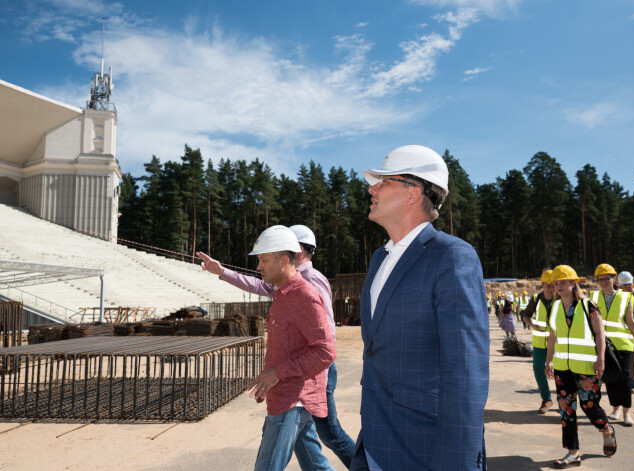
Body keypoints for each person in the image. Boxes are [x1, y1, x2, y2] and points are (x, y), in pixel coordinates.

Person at [352, 145, 489, 470]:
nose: (372, 188)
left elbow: (466, 372)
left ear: (413, 193)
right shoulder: (379, 258)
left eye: (383, 181)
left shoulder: (452, 256)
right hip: (375, 440)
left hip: (424, 448)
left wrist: (458, 463)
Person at [197, 225, 356, 468]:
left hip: (295, 395)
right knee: (315, 463)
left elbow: (324, 348)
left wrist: (278, 373)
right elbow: (259, 290)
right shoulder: (283, 290)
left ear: (285, 259)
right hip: (287, 392)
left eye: (263, 259)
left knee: (319, 442)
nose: (258, 266)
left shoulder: (306, 290)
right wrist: (222, 271)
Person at [545, 265, 616, 468]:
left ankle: (606, 429)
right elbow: (552, 337)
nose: (558, 286)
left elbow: (600, 334)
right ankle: (572, 453)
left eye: (563, 282)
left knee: (589, 407)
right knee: (566, 410)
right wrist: (548, 360)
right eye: (555, 283)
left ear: (573, 282)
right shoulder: (556, 307)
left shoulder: (588, 305)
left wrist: (600, 360)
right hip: (562, 368)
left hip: (586, 367)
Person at [590, 263, 634, 426]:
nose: (603, 282)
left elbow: (630, 321)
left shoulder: (626, 296)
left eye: (606, 278)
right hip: (603, 345)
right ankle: (615, 410)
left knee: (625, 379)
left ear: (614, 279)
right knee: (611, 378)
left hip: (623, 344)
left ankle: (627, 413)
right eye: (600, 279)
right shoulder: (593, 297)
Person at [522, 269, 555, 414]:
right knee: (537, 369)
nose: (551, 288)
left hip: (557, 343)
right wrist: (532, 325)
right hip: (540, 343)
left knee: (560, 372)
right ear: (542, 285)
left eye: (553, 285)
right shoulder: (535, 299)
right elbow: (526, 316)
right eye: (548, 285)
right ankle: (546, 399)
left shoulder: (560, 299)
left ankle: (563, 400)